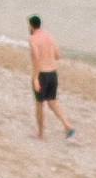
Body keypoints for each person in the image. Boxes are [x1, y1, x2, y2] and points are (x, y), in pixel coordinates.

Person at [26, 12, 72, 142]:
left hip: (42, 74)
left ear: (31, 26)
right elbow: (58, 55)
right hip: (53, 73)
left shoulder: (33, 39)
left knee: (39, 104)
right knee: (52, 101)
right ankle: (67, 125)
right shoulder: (49, 36)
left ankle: (40, 133)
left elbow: (35, 58)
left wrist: (35, 78)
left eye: (28, 26)